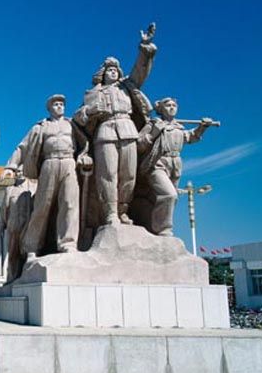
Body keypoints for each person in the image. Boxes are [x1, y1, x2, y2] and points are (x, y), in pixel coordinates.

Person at [74, 24, 157, 226]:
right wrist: (91, 111)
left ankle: (123, 210)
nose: (112, 72)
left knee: (128, 174)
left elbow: (140, 70)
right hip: (105, 132)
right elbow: (79, 116)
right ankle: (110, 212)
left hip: (127, 129)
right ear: (102, 73)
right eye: (109, 70)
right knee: (107, 174)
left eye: (115, 70)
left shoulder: (127, 87)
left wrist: (144, 46)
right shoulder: (93, 93)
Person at [4, 94, 91, 262]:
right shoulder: (41, 127)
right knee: (42, 206)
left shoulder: (72, 125)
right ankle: (31, 247)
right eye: (56, 104)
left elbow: (85, 144)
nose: (60, 107)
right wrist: (11, 166)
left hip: (68, 163)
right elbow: (23, 147)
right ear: (50, 108)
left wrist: (84, 156)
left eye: (62, 104)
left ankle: (68, 243)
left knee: (69, 203)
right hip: (49, 163)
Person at [135, 97, 214, 235]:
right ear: (161, 109)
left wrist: (203, 127)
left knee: (173, 197)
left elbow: (191, 137)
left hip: (175, 164)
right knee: (169, 195)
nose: (172, 107)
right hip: (157, 163)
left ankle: (153, 226)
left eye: (174, 105)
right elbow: (138, 144)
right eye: (168, 105)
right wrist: (154, 133)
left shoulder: (179, 126)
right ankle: (163, 229)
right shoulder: (154, 124)